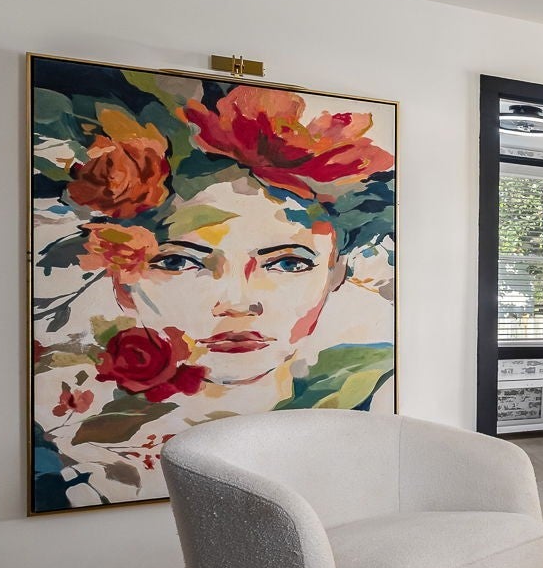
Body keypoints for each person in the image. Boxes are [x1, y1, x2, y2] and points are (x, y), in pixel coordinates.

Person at [30, 68, 396, 511]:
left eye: (287, 263)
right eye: (178, 262)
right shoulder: (65, 452)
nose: (237, 303)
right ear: (121, 276)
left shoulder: (373, 402)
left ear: (336, 272)